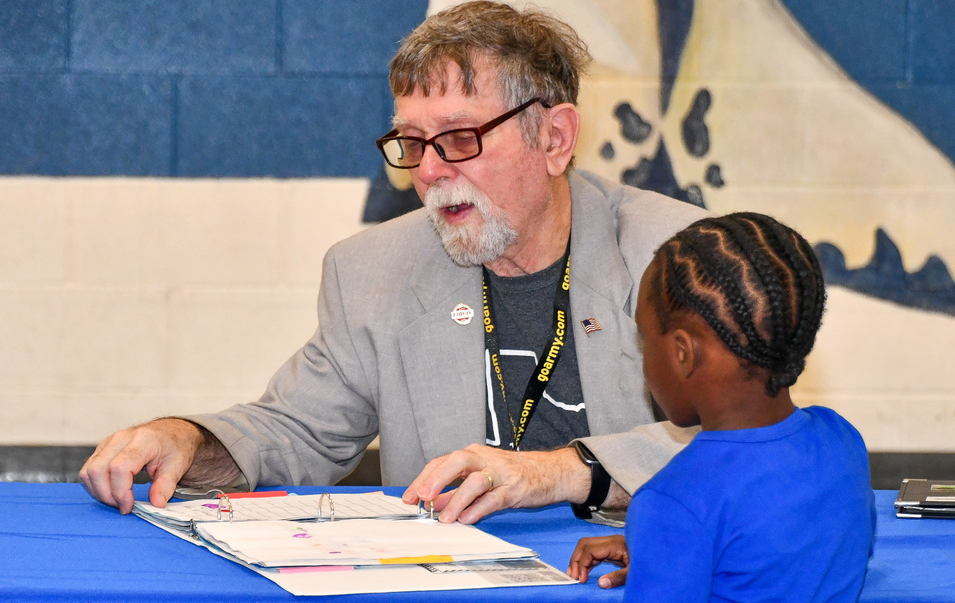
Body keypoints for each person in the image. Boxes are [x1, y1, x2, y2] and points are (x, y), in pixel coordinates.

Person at [80, 1, 707, 522]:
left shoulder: (681, 254)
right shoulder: (371, 270)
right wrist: (187, 439)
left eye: (460, 138)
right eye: (412, 142)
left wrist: (564, 471)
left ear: (555, 138)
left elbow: (745, 444)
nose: (429, 171)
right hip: (445, 602)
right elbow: (297, 431)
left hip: (629, 584)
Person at [566, 212, 876, 603]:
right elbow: (788, 552)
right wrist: (673, 556)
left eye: (645, 341)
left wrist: (674, 545)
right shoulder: (842, 443)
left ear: (683, 354)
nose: (643, 359)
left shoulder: (674, 502)